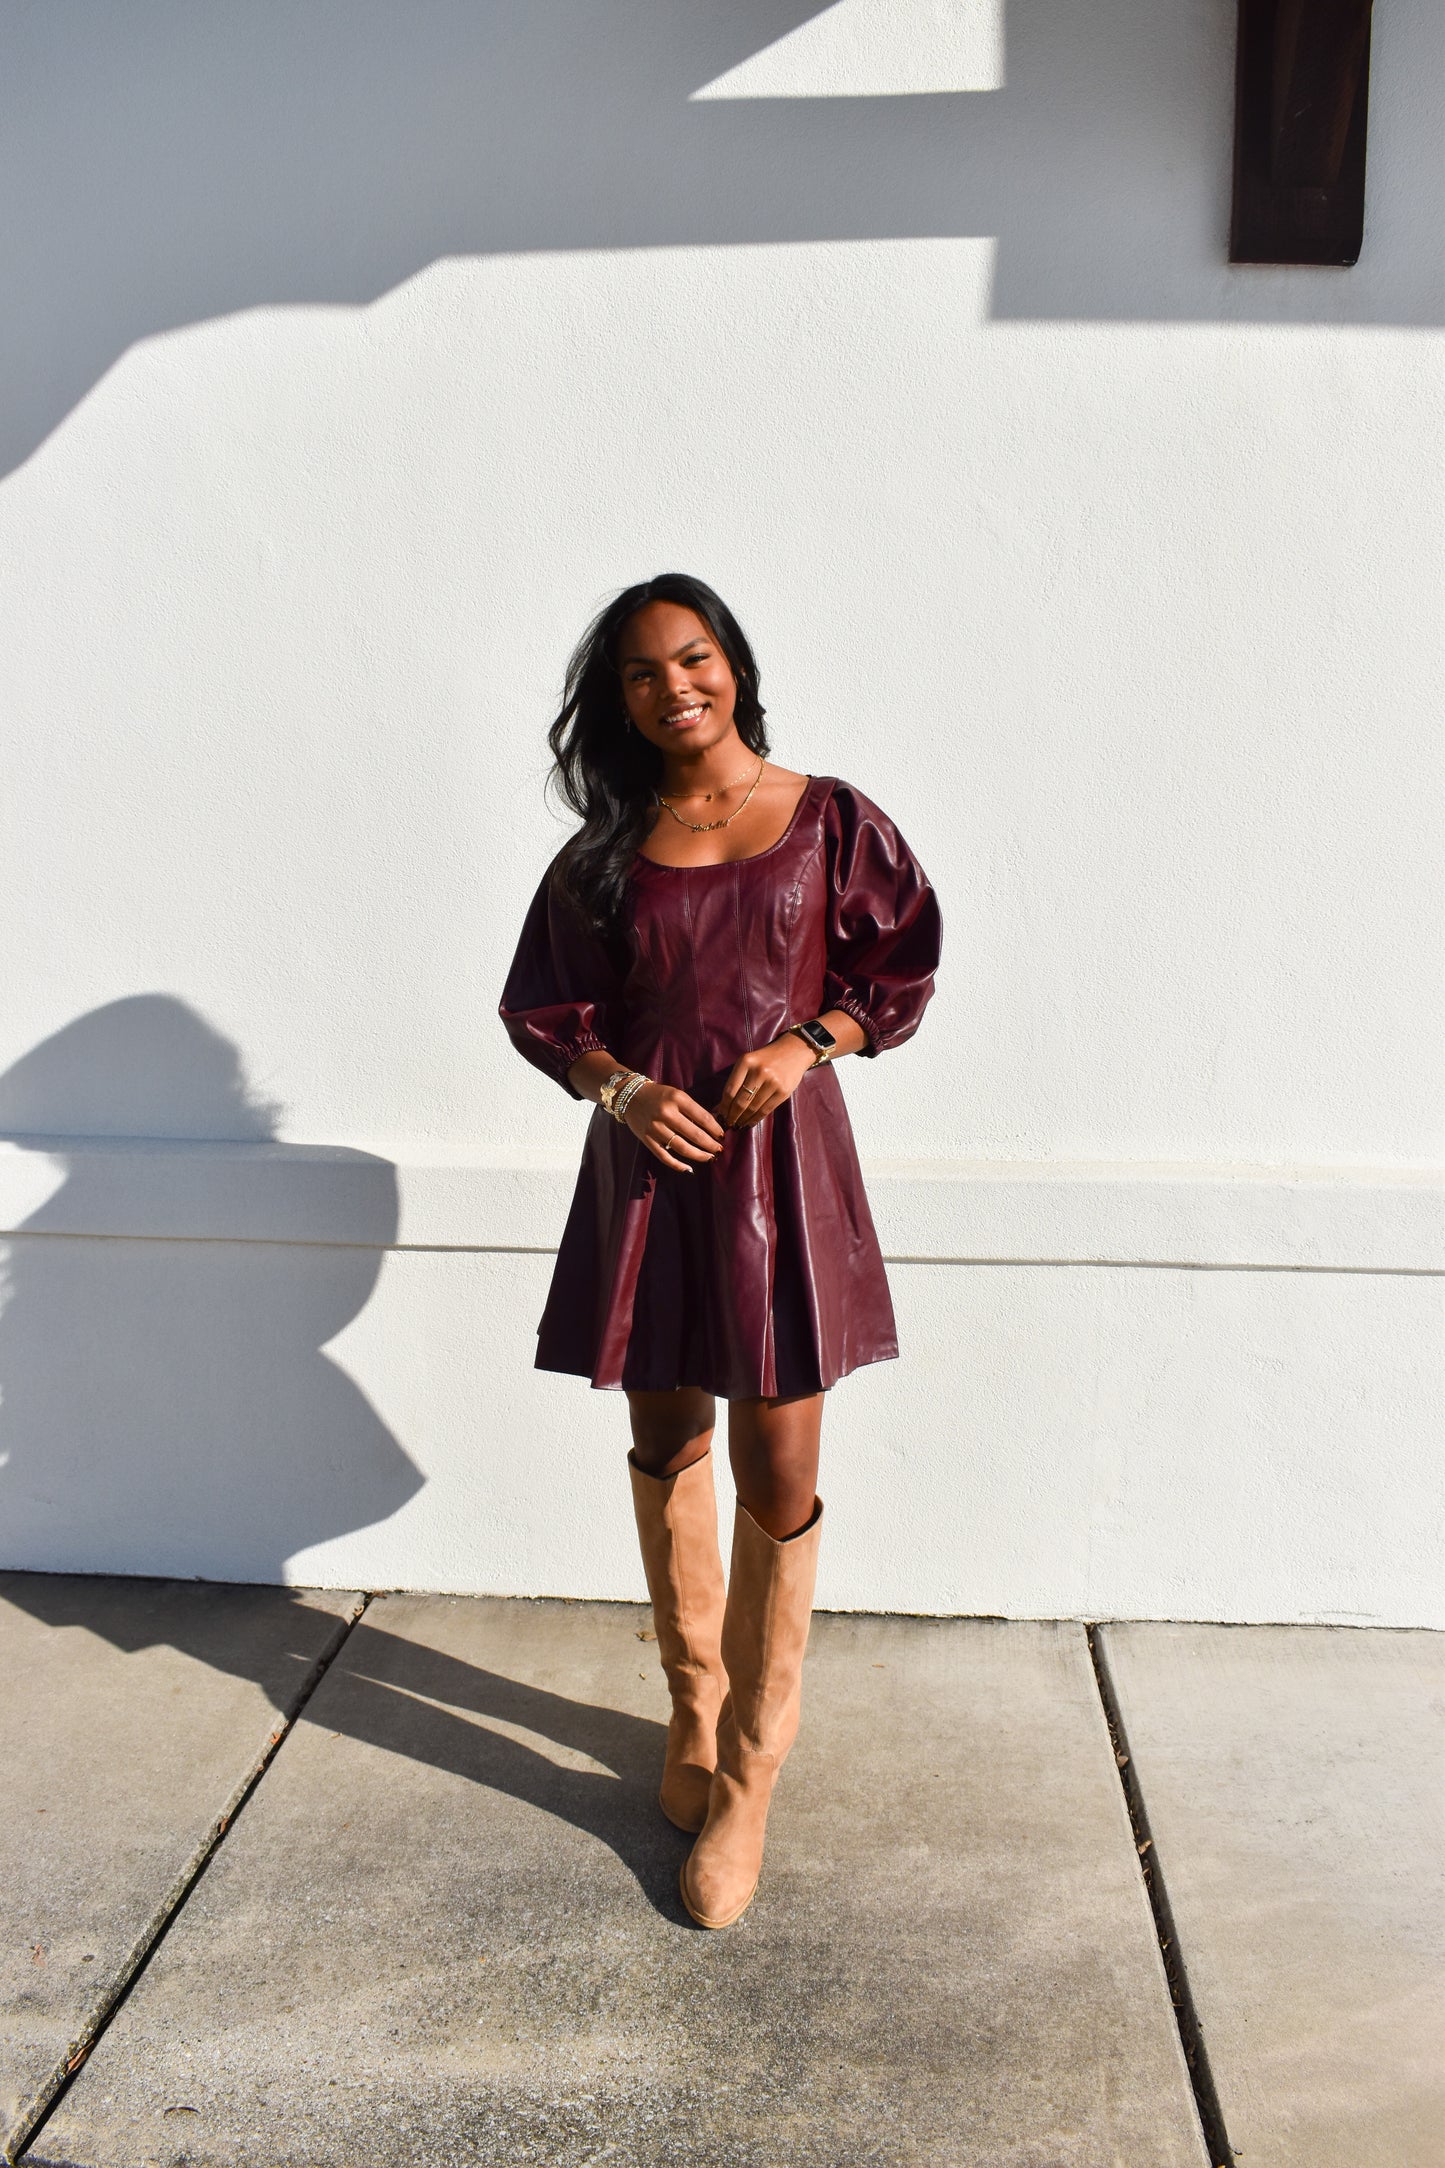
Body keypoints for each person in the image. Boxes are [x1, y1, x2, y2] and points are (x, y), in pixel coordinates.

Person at [499, 573, 941, 1929]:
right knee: (666, 1433)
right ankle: (692, 1711)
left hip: (781, 1174)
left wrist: (808, 1044)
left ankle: (750, 1773)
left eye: (691, 658)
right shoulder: (606, 851)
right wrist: (619, 1090)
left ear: (732, 663)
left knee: (781, 1462)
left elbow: (899, 967)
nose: (672, 687)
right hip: (651, 1172)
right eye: (640, 673)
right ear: (619, 701)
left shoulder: (829, 820)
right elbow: (545, 1012)